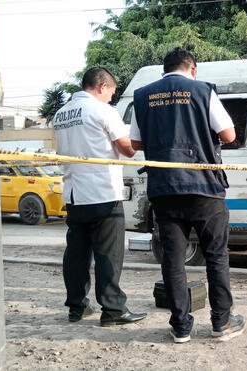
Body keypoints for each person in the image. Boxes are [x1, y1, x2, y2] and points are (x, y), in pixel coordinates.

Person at [130, 48, 244, 344]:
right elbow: (229, 134)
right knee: (216, 256)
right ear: (193, 69)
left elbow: (135, 142)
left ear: (163, 71)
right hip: (204, 187)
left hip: (164, 189)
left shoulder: (143, 95)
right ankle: (222, 323)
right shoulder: (202, 91)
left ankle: (181, 326)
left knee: (173, 260)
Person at [53, 67, 147, 326]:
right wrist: (143, 139)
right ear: (102, 86)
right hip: (103, 192)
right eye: (112, 92)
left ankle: (77, 307)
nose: (111, 98)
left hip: (73, 193)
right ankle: (113, 310)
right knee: (108, 254)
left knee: (77, 254)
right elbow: (127, 150)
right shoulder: (103, 110)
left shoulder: (61, 114)